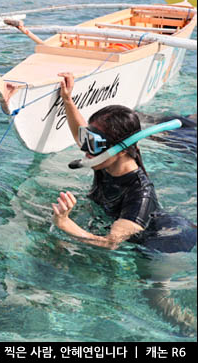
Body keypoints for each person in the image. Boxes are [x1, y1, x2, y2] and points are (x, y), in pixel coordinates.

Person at [52, 72, 196, 253]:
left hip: (152, 244)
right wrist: (67, 99)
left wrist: (64, 223)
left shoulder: (140, 192)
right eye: (86, 139)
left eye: (94, 143)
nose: (85, 150)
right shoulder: (105, 160)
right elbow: (79, 133)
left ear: (120, 150)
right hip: (108, 216)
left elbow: (110, 243)